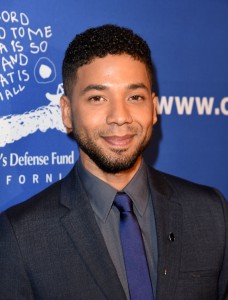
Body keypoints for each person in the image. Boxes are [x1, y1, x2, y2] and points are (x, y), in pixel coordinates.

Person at [0, 24, 227, 300]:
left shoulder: (212, 214)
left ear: (154, 109)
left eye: (135, 97)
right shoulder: (20, 236)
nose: (120, 116)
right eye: (97, 98)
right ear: (67, 113)